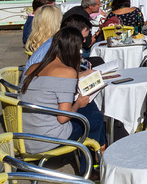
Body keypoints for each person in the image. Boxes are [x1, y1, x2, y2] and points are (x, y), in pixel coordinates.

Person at [20, 27, 107, 164]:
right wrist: (78, 103)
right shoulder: (67, 72)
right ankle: (91, 165)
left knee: (90, 111)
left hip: (25, 137)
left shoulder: (33, 67)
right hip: (48, 141)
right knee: (95, 117)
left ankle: (99, 153)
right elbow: (63, 118)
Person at [26, 15, 94, 71]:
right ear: (73, 35)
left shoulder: (59, 42)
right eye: (83, 38)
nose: (84, 41)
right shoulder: (51, 48)